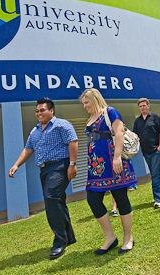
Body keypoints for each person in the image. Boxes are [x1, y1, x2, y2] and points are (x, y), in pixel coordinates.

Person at [8, 98, 79, 260]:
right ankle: (69, 236)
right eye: (37, 111)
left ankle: (59, 241)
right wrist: (16, 164)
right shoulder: (35, 131)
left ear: (51, 110)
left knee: (51, 198)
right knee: (58, 201)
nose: (39, 113)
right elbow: (28, 149)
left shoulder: (62, 124)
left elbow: (73, 142)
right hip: (45, 169)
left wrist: (72, 165)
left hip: (60, 166)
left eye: (42, 110)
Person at [80, 88, 136, 255]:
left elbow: (118, 132)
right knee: (93, 199)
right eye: (83, 103)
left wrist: (117, 157)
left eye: (87, 102)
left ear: (95, 99)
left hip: (113, 163)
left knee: (121, 198)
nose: (84, 106)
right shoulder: (89, 119)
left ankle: (128, 238)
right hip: (96, 167)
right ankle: (110, 237)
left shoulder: (110, 111)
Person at [132, 98, 160, 209]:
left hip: (156, 151)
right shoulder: (137, 121)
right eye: (140, 106)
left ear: (148, 106)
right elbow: (135, 136)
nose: (142, 108)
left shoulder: (155, 118)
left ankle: (158, 200)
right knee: (158, 173)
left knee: (155, 175)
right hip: (146, 152)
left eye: (144, 105)